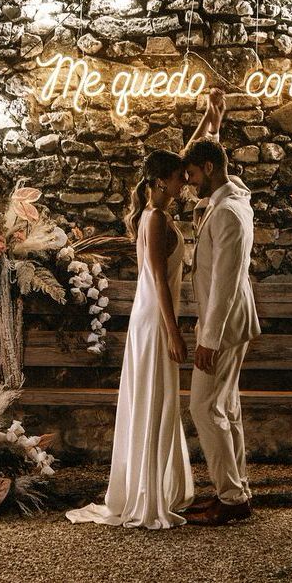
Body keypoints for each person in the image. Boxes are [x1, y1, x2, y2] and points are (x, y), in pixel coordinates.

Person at [66, 148, 194, 529]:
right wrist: (174, 331)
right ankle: (147, 494)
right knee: (155, 400)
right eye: (178, 177)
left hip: (150, 317)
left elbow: (180, 156)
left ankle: (155, 486)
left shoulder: (156, 214)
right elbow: (156, 276)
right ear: (159, 181)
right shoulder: (154, 220)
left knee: (158, 399)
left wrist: (212, 116)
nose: (184, 181)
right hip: (155, 319)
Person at [179, 88, 261, 526]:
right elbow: (206, 157)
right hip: (229, 322)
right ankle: (237, 489)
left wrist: (208, 339)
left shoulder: (227, 212)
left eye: (192, 174)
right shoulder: (232, 195)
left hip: (225, 325)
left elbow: (226, 284)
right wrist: (212, 123)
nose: (188, 181)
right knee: (225, 408)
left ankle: (230, 497)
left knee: (202, 408)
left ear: (208, 170)